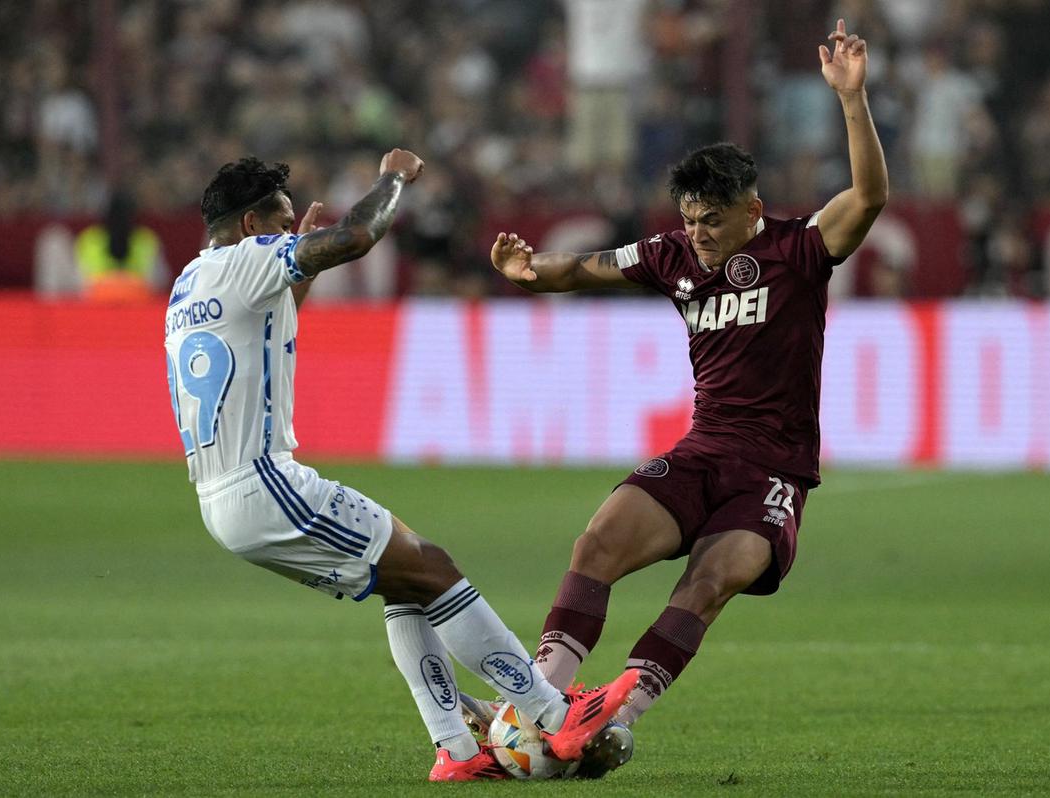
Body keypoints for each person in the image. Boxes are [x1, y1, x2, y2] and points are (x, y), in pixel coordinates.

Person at [487, 18, 888, 768]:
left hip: (773, 472)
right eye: (691, 219)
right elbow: (585, 269)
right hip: (702, 452)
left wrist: (852, 100)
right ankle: (544, 700)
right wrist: (529, 269)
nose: (698, 234)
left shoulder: (799, 250)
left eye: (713, 220)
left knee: (710, 579)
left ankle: (618, 713)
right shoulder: (671, 255)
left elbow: (869, 196)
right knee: (599, 539)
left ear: (752, 211)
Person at [163, 152, 637, 782]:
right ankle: (552, 713)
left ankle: (459, 753)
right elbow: (357, 236)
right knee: (437, 572)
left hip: (223, 499)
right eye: (278, 221)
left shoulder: (191, 283)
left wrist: (295, 254)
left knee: (407, 581)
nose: (288, 232)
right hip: (268, 484)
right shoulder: (249, 259)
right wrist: (394, 178)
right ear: (250, 224)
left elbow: (274, 312)